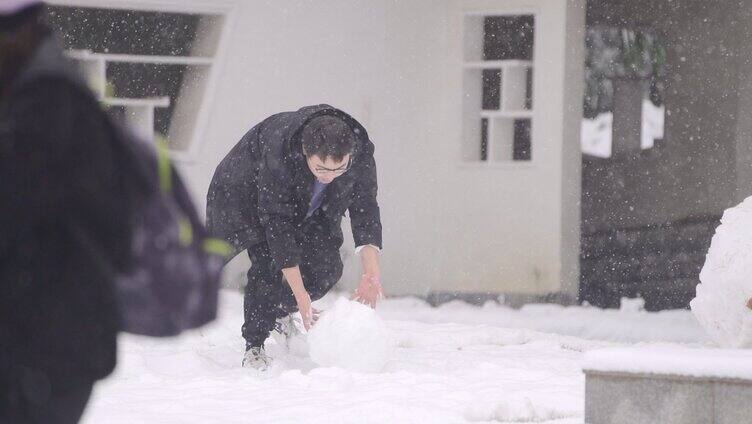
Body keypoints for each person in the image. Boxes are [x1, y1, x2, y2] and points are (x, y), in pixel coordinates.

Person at [0, 1, 139, 422]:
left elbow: (19, 214)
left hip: (46, 345)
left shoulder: (47, 103)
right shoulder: (39, 91)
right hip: (47, 338)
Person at [207, 105, 384, 369]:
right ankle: (254, 344)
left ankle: (278, 313)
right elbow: (277, 225)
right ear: (305, 153)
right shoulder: (280, 150)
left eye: (339, 170)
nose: (329, 177)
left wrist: (372, 273)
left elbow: (365, 207)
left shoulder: (360, 151)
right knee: (268, 262)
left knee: (328, 268)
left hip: (310, 202)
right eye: (322, 169)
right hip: (247, 195)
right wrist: (300, 295)